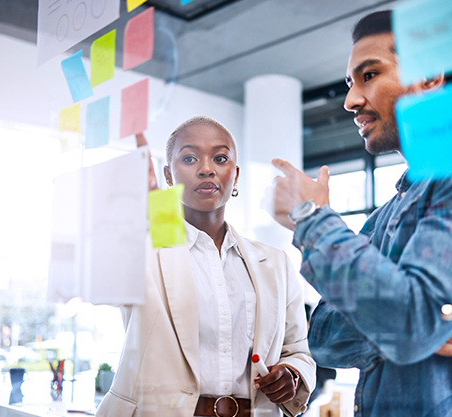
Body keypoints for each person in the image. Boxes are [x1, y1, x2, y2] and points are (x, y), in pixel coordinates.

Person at [269, 10, 452, 417]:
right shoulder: (386, 215)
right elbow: (324, 339)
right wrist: (405, 323)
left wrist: (311, 216)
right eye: (350, 83)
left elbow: (410, 323)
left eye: (369, 75)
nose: (351, 100)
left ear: (429, 76)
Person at [96, 116, 316, 417]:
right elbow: (96, 281)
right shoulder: (142, 249)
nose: (206, 168)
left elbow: (298, 350)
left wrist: (291, 374)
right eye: (189, 158)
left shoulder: (275, 263)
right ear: (169, 175)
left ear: (235, 175)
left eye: (220, 158)